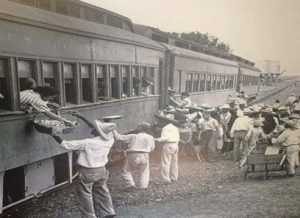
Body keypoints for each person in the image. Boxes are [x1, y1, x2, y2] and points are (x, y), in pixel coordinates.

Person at [49, 112, 117, 218]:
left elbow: (66, 145)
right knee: (102, 190)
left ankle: (89, 216)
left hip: (88, 171)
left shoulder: (88, 142)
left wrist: (52, 133)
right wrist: (82, 116)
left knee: (85, 194)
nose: (93, 128)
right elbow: (94, 127)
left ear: (97, 131)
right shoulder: (110, 140)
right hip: (102, 170)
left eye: (96, 128)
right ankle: (108, 212)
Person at [115, 122, 155, 189]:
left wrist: (112, 129)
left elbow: (119, 137)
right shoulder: (151, 137)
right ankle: (143, 186)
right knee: (144, 172)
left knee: (126, 170)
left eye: (138, 126)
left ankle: (130, 184)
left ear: (141, 128)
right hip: (145, 154)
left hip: (133, 154)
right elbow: (152, 148)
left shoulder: (133, 136)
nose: (136, 127)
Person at [155, 115, 180, 183]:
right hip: (175, 145)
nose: (161, 122)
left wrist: (157, 139)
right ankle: (174, 177)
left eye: (162, 120)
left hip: (168, 145)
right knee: (174, 162)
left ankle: (165, 179)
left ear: (166, 121)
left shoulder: (165, 128)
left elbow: (165, 138)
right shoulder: (175, 128)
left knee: (166, 162)